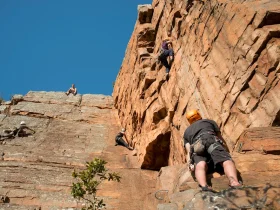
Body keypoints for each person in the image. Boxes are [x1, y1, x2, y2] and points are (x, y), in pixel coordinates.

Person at [183, 110, 242, 192]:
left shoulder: (186, 131)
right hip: (210, 139)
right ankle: (234, 182)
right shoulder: (209, 122)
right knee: (225, 160)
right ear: (199, 115)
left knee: (200, 165)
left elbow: (188, 150)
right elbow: (220, 137)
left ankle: (204, 186)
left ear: (189, 121)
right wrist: (226, 151)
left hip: (197, 146)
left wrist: (190, 163)